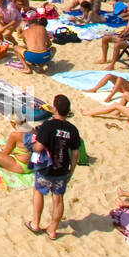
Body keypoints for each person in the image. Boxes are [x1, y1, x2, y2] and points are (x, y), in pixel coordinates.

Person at [24, 95, 81, 241]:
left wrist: (30, 144)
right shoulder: (73, 130)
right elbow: (75, 153)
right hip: (62, 169)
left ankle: (35, 223)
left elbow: (39, 147)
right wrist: (71, 172)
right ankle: (53, 230)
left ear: (54, 108)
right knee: (58, 199)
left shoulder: (48, 126)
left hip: (46, 168)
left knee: (38, 191)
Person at [97, 1, 129, 69]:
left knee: (117, 45)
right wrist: (121, 36)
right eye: (128, 10)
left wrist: (124, 39)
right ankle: (104, 58)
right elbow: (127, 29)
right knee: (105, 38)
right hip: (128, 36)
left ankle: (112, 65)